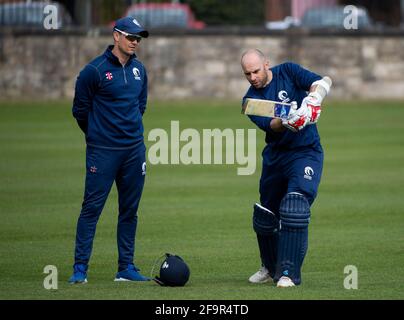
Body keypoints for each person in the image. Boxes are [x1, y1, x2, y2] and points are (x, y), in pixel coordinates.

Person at [69, 17, 150, 283]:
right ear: (116, 36)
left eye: (138, 38)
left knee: (129, 210)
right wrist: (97, 135)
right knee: (91, 209)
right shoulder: (94, 70)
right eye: (130, 37)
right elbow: (80, 110)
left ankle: (125, 268)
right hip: (103, 152)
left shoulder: (139, 70)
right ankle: (80, 269)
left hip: (134, 151)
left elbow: (140, 106)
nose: (135, 42)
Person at [240, 49, 331, 287]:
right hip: (276, 157)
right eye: (247, 73)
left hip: (305, 152)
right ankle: (270, 267)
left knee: (295, 206)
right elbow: (273, 124)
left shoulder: (289, 71)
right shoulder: (251, 101)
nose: (252, 77)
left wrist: (312, 101)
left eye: (256, 71)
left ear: (266, 64)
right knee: (266, 216)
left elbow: (322, 82)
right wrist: (289, 119)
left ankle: (288, 273)